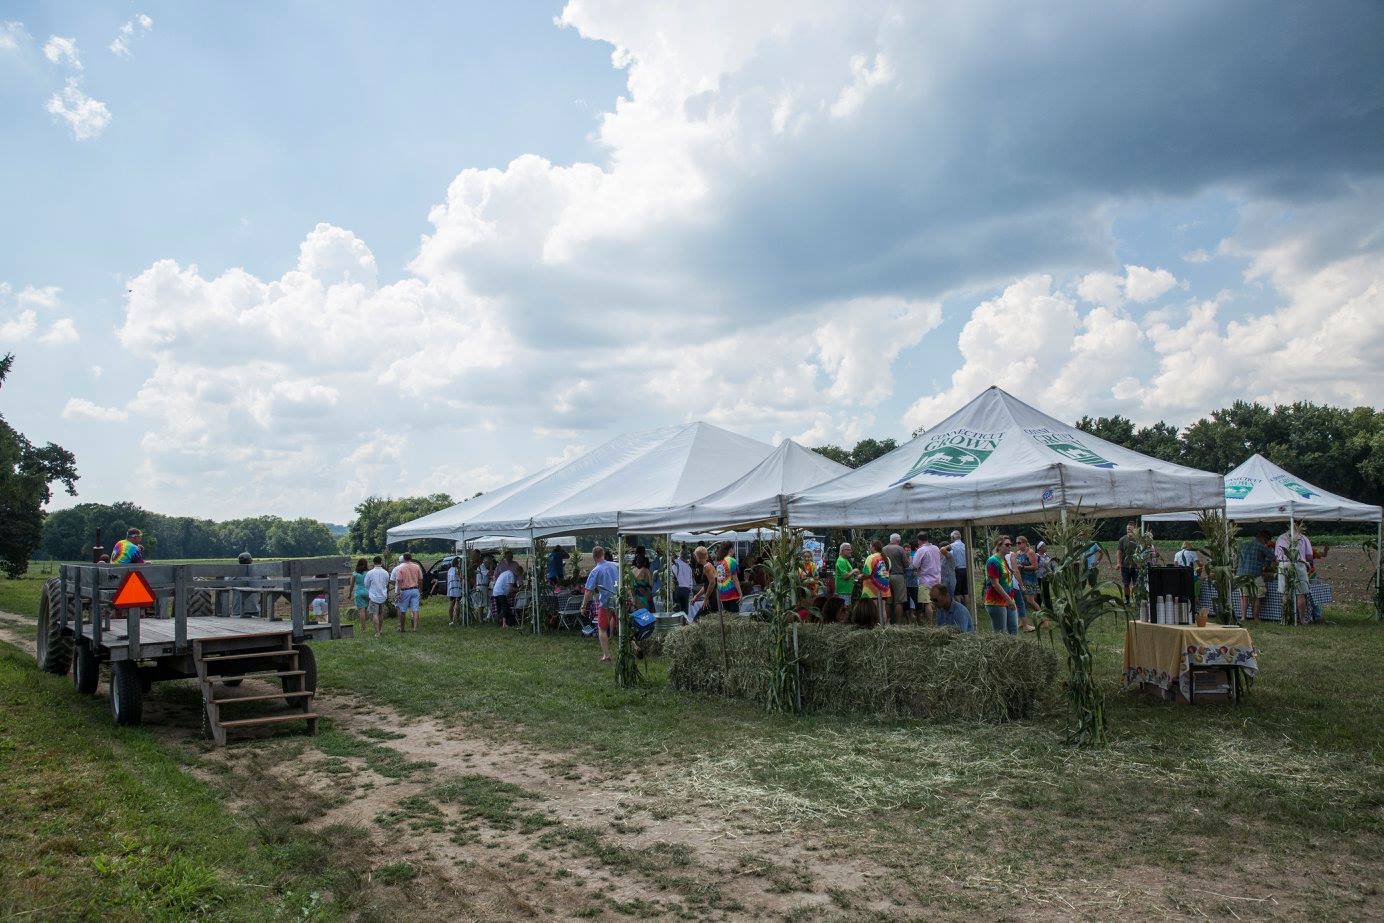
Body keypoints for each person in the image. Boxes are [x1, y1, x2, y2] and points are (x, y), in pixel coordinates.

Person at [580, 546, 620, 661]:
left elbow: (588, 591)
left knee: (601, 628)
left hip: (606, 602)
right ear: (603, 554)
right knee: (623, 626)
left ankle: (606, 655)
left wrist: (583, 606)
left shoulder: (596, 571)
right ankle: (633, 646)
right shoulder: (615, 565)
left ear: (594, 557)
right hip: (618, 600)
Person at [1275, 523, 1313, 622]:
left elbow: (1276, 555)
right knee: (1301, 593)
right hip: (1298, 565)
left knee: (1285, 593)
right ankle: (1302, 619)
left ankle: (1285, 618)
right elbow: (1309, 556)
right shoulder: (1303, 538)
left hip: (1283, 564)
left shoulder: (1280, 538)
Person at [1235, 530, 1275, 621]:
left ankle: (1243, 617)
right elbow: (1273, 558)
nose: (1267, 542)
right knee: (1257, 596)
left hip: (1240, 574)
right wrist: (1267, 564)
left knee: (1244, 596)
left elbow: (1237, 559)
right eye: (1267, 540)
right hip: (1255, 574)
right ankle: (1256, 618)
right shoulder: (1261, 547)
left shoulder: (1244, 545)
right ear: (1264, 538)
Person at [985, 535, 1018, 635]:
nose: (1009, 547)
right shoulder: (993, 561)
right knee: (1001, 634)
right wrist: (1009, 600)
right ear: (999, 546)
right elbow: (995, 584)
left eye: (1010, 545)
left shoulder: (1003, 560)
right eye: (1007, 544)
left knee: (1013, 630)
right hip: (996, 602)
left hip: (1008, 599)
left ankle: (1013, 650)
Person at [1010, 535, 1039, 632]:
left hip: (1030, 579)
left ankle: (1044, 618)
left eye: (1019, 543)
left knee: (1031, 601)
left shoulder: (1030, 552)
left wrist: (1022, 567)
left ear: (1025, 543)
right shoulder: (1017, 553)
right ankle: (1022, 622)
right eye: (1016, 543)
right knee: (1020, 602)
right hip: (1021, 579)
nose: (1017, 545)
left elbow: (1035, 566)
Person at [912, 532, 942, 625]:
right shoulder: (936, 548)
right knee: (938, 601)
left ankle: (930, 624)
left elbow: (915, 565)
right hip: (937, 579)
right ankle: (940, 621)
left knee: (927, 602)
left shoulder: (921, 550)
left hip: (925, 580)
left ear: (919, 540)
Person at [391, 552, 424, 632]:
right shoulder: (416, 566)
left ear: (404, 558)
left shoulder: (400, 568)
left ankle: (402, 628)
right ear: (411, 558)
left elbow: (399, 581)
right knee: (415, 610)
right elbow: (420, 579)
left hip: (405, 590)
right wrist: (420, 589)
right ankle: (415, 628)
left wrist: (398, 592)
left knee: (402, 610)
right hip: (415, 589)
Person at [882, 533, 911, 625]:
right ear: (898, 541)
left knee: (888, 601)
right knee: (899, 601)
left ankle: (888, 622)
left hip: (886, 576)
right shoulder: (900, 549)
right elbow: (906, 564)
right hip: (898, 576)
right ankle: (898, 624)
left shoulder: (883, 549)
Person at [861, 540, 891, 626]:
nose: (870, 548)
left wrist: (860, 577)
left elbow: (866, 573)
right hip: (884, 587)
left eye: (870, 546)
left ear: (873, 547)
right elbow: (888, 570)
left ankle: (875, 627)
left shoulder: (871, 557)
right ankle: (882, 627)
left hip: (872, 588)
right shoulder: (886, 558)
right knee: (882, 609)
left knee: (874, 609)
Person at [364, 556, 390, 638]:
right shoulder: (385, 572)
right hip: (383, 595)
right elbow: (386, 583)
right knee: (381, 614)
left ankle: (377, 632)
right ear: (381, 562)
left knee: (375, 614)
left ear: (373, 563)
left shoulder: (370, 573)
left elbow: (366, 584)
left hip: (373, 596)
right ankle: (380, 629)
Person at [714, 542, 743, 614]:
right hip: (732, 593)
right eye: (733, 549)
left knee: (727, 618)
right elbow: (735, 579)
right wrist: (740, 593)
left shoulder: (719, 562)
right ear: (730, 549)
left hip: (722, 594)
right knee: (735, 617)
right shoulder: (732, 560)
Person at [232, 551, 262, 618]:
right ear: (251, 561)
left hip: (238, 610)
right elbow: (270, 584)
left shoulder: (234, 574)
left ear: (239, 562)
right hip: (254, 609)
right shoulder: (257, 574)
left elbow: (224, 581)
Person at [492, 563, 522, 628]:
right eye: (519, 575)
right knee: (505, 607)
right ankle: (504, 624)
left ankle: (499, 623)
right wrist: (519, 589)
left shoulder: (506, 572)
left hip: (495, 591)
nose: (519, 576)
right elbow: (510, 589)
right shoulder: (511, 575)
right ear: (517, 572)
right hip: (501, 592)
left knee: (499, 608)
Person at [1116, 522, 1139, 602]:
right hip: (1125, 566)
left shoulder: (1138, 539)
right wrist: (1118, 563)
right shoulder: (1122, 539)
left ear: (1134, 529)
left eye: (1130, 528)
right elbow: (1119, 552)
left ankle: (1137, 600)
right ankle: (1127, 599)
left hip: (1136, 566)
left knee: (1136, 584)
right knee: (1126, 584)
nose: (1128, 530)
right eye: (1127, 528)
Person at [671, 551, 694, 616]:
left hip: (677, 589)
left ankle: (678, 623)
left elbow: (673, 578)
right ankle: (684, 624)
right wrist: (690, 590)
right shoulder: (688, 567)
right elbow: (690, 581)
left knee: (677, 610)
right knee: (685, 610)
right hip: (686, 590)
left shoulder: (674, 565)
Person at [351, 558, 371, 633]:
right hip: (368, 592)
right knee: (365, 609)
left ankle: (363, 628)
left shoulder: (355, 573)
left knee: (361, 611)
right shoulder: (368, 573)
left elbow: (352, 585)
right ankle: (366, 624)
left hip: (359, 592)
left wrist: (350, 593)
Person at [949, 531, 968, 602]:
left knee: (957, 592)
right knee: (965, 591)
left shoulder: (952, 546)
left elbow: (950, 557)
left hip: (957, 570)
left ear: (953, 537)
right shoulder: (965, 545)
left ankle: (959, 609)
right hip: (966, 570)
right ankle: (968, 609)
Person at [446, 556, 464, 625]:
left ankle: (451, 620)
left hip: (451, 588)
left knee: (451, 603)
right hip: (457, 587)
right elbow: (461, 577)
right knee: (457, 603)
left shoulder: (450, 570)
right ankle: (457, 619)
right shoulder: (457, 569)